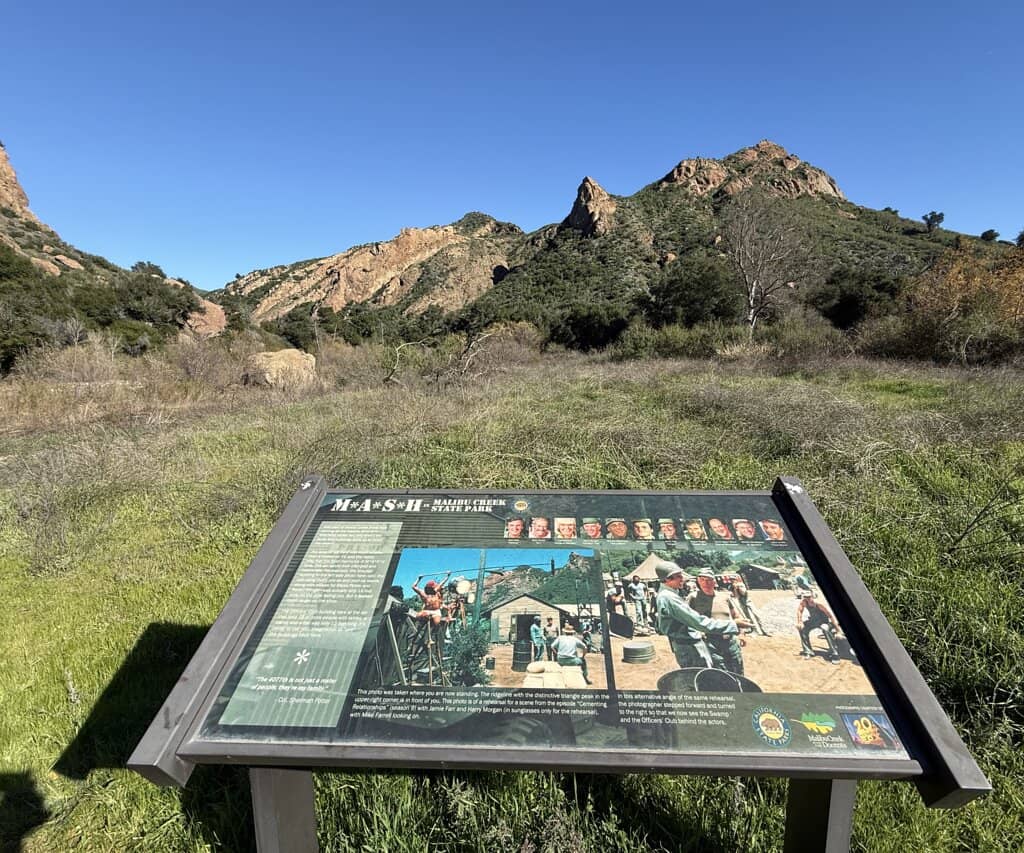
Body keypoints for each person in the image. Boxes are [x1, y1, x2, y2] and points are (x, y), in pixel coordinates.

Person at [655, 562, 750, 671]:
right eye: (679, 576)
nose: (683, 578)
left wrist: (741, 632)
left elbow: (734, 614)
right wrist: (733, 624)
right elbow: (698, 622)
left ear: (714, 581)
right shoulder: (671, 598)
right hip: (693, 645)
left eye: (709, 580)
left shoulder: (724, 596)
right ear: (667, 579)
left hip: (727, 642)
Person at [796, 592, 841, 663]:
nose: (808, 599)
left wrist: (838, 631)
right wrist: (800, 622)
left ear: (812, 596)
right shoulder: (804, 602)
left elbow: (831, 616)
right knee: (802, 628)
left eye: (809, 597)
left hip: (825, 622)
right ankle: (808, 651)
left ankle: (834, 654)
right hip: (813, 621)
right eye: (806, 597)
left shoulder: (819, 604)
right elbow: (799, 610)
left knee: (825, 628)